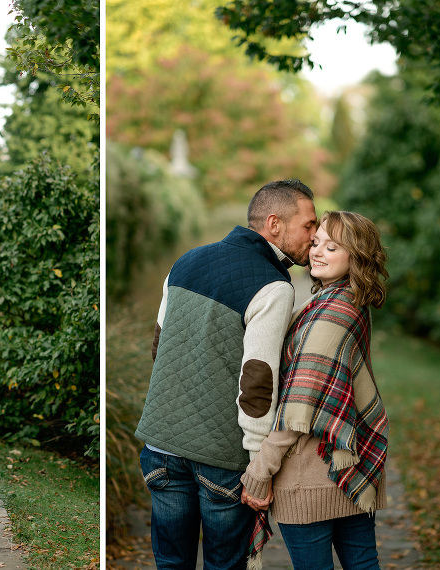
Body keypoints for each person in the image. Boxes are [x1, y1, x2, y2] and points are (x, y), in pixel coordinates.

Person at [135, 179, 318, 569]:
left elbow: (160, 346)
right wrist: (258, 466)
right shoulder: (274, 287)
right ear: (274, 224)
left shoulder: (185, 260)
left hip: (161, 446)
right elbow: (258, 380)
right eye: (308, 225)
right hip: (223, 459)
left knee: (170, 564)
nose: (315, 236)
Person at [241, 211, 390, 570]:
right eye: (317, 241)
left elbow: (299, 409)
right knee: (364, 562)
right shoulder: (348, 302)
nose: (316, 251)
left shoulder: (330, 313)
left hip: (309, 475)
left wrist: (260, 471)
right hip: (348, 467)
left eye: (332, 246)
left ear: (356, 255)